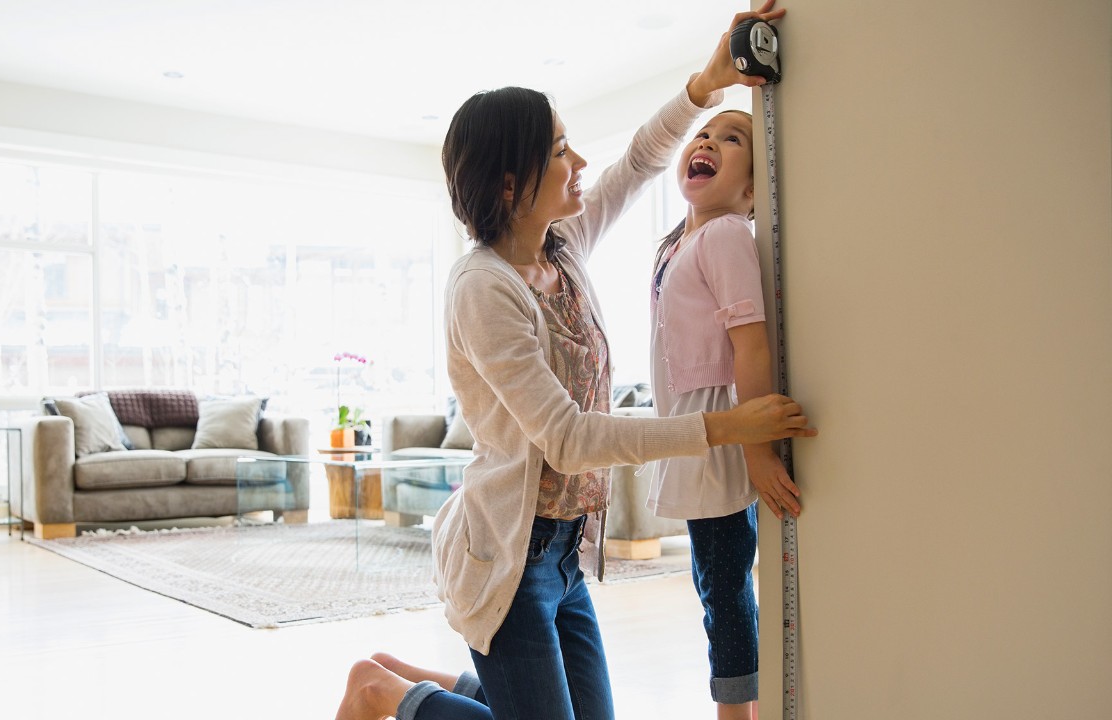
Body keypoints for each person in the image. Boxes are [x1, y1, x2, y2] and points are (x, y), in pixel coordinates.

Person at [336, 3, 804, 719]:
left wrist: (707, 84)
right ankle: (385, 694)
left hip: (563, 558)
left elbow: (642, 159)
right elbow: (570, 437)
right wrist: (725, 427)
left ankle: (410, 682)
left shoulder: (562, 248)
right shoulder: (483, 290)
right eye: (559, 151)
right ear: (507, 184)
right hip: (508, 561)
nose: (580, 163)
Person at [643, 100, 799, 720]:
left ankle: (737, 712)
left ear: (753, 191)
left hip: (720, 438)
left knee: (724, 586)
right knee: (716, 582)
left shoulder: (729, 234)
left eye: (732, 139)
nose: (707, 141)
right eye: (704, 133)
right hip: (692, 432)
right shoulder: (679, 240)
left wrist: (757, 451)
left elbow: (750, 341)